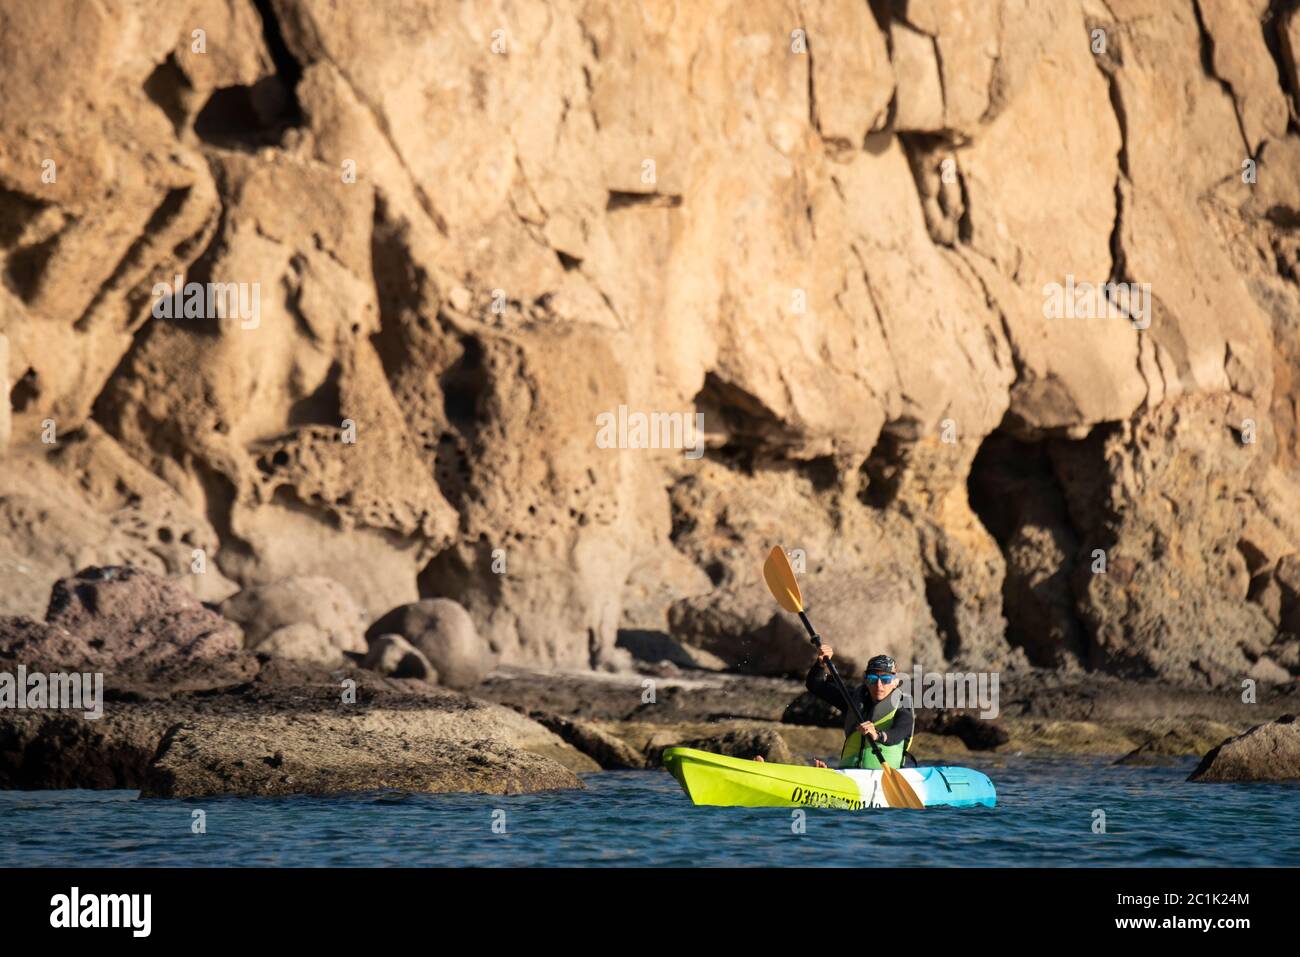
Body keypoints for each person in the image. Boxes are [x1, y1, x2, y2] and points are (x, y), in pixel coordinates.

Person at [804, 647, 914, 770]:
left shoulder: (902, 705)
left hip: (883, 777)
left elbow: (900, 732)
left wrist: (878, 735)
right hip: (850, 775)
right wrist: (820, 664)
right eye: (873, 679)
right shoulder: (854, 701)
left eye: (885, 680)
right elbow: (815, 685)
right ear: (866, 681)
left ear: (895, 682)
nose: (879, 685)